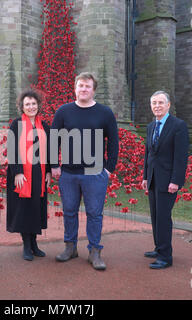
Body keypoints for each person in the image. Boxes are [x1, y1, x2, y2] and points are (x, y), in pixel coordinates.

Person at [51, 72, 119, 270]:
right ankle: (70, 247)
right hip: (69, 173)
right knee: (69, 211)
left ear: (93, 90)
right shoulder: (63, 111)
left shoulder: (105, 113)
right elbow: (54, 139)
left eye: (88, 86)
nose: (84, 89)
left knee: (94, 214)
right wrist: (54, 165)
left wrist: (109, 169)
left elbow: (113, 142)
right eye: (80, 86)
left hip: (95, 173)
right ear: (75, 88)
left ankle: (95, 251)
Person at [141, 91, 189, 269]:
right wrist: (145, 176)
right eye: (154, 103)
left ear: (168, 105)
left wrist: (176, 181)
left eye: (161, 102)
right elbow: (148, 154)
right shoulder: (151, 127)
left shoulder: (178, 126)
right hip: (153, 179)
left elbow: (181, 157)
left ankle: (165, 257)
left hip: (168, 181)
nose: (157, 106)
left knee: (163, 217)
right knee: (155, 216)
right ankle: (158, 247)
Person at [6, 89, 51, 261]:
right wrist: (17, 172)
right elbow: (11, 150)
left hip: (39, 173)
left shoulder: (45, 126)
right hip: (22, 174)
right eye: (27, 104)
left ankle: (34, 244)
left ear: (38, 105)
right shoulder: (16, 125)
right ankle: (26, 245)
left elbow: (51, 151)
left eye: (33, 104)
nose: (31, 107)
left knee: (36, 208)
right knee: (24, 208)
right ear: (22, 107)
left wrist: (48, 172)